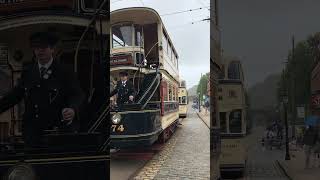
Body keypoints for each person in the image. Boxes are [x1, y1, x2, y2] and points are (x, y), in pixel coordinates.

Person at [0, 32, 85, 146]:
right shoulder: (29, 72)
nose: (40, 51)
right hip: (32, 133)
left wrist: (72, 109)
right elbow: (15, 96)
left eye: (44, 48)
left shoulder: (64, 71)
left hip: (57, 131)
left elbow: (77, 94)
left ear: (52, 49)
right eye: (37, 48)